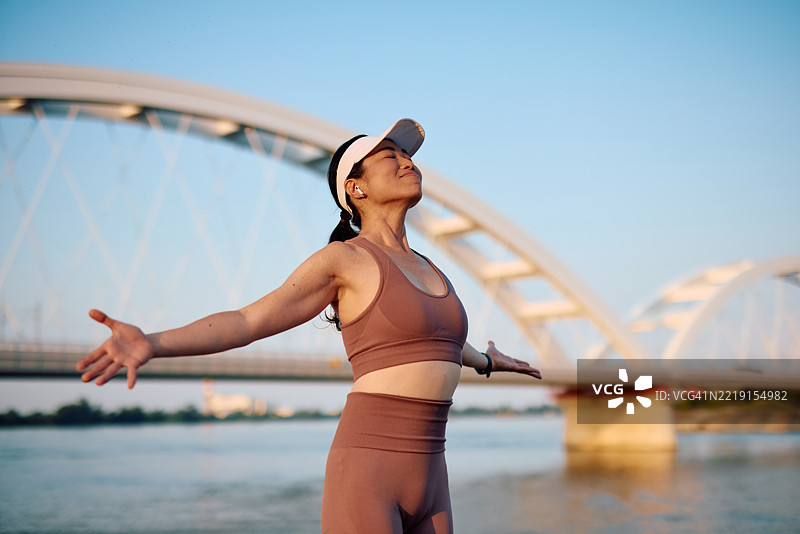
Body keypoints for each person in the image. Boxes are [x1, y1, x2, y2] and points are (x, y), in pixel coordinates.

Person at [76, 118, 542, 534]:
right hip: (368, 469)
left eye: (407, 154)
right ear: (356, 188)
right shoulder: (344, 260)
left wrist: (486, 361)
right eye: (390, 155)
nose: (406, 161)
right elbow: (248, 320)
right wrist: (153, 343)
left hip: (432, 472)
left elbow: (438, 341)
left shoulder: (428, 266)